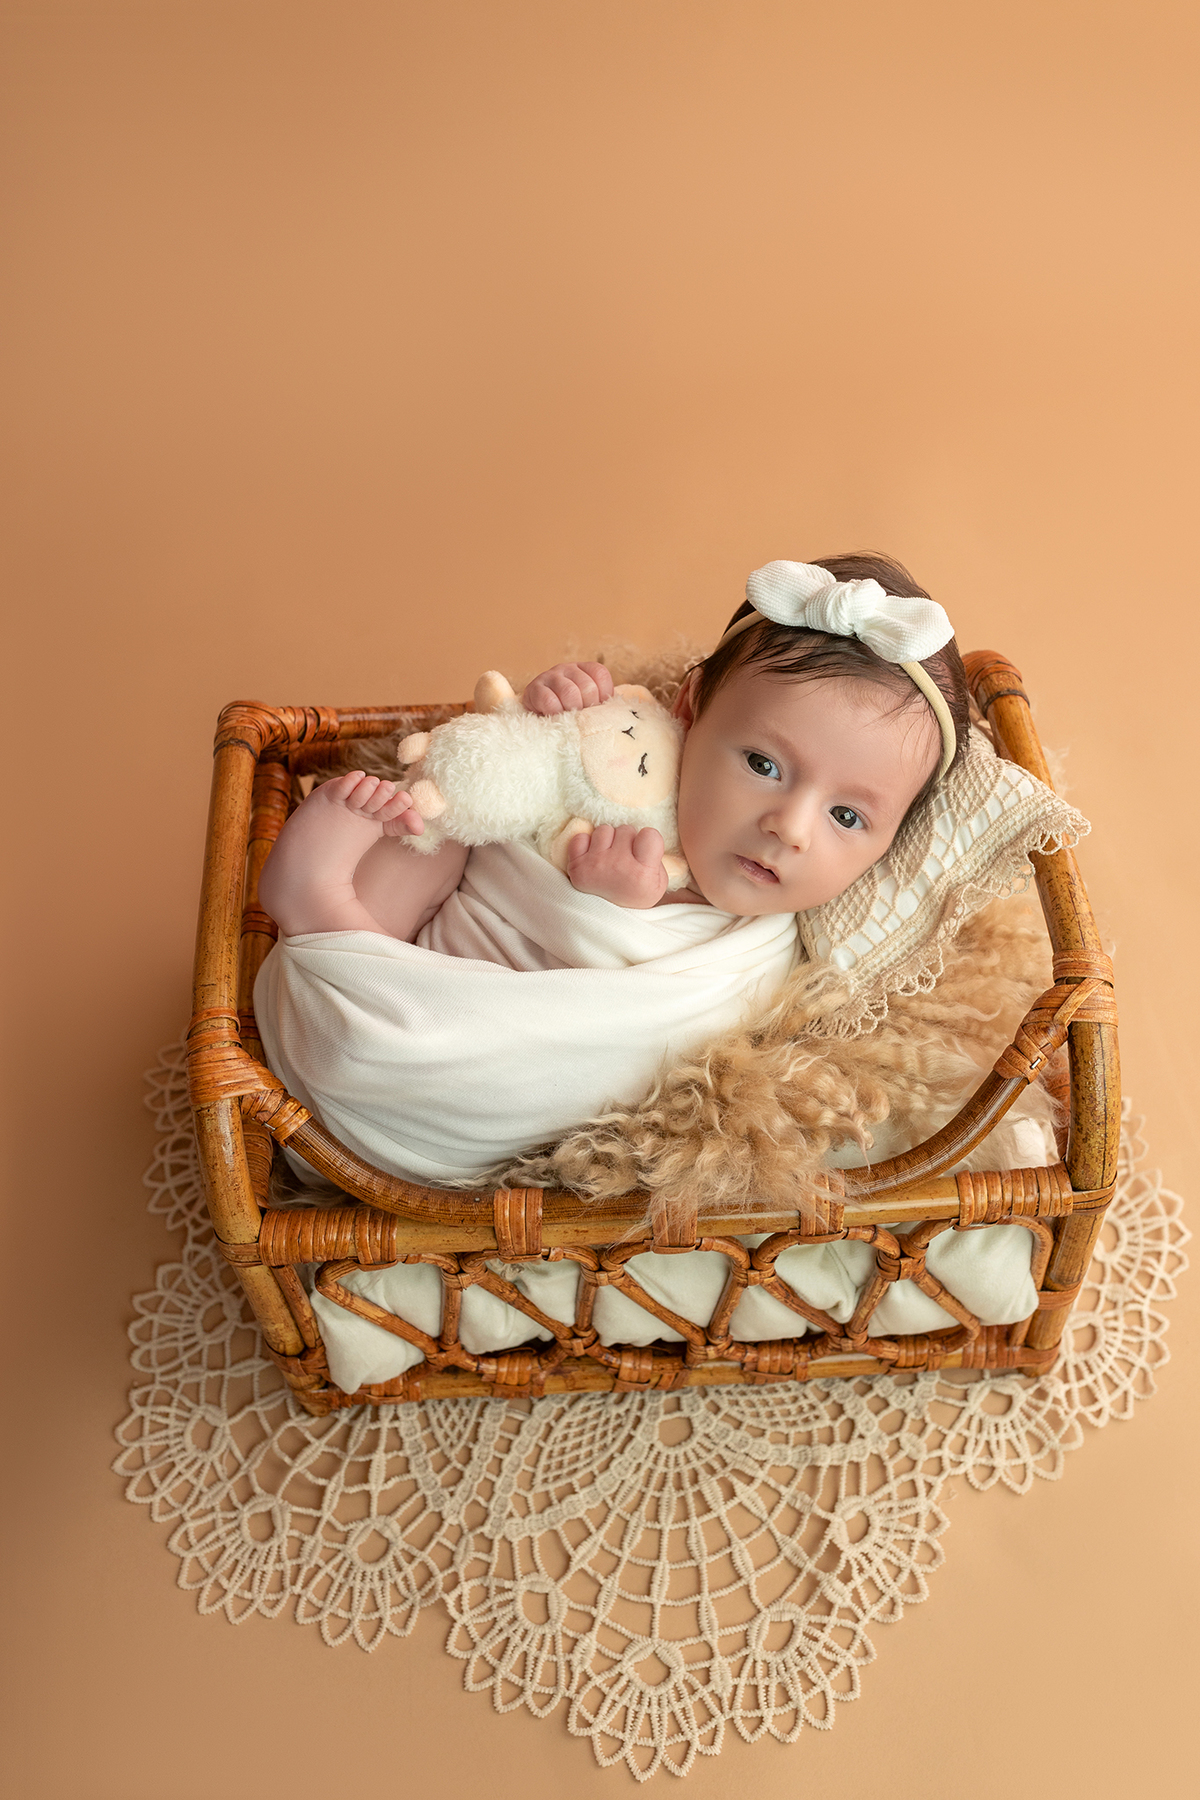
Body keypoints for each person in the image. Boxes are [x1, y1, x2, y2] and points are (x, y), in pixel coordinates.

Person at [259, 553, 969, 941]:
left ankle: (337, 937)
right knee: (456, 823)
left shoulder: (791, 938)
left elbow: (662, 1044)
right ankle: (330, 911)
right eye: (763, 765)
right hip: (434, 941)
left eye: (848, 817)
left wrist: (618, 900)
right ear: (687, 709)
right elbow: (541, 785)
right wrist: (557, 715)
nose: (790, 827)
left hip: (490, 1023)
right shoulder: (637, 748)